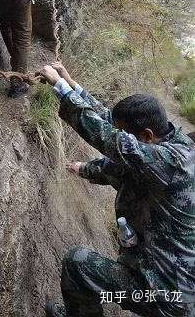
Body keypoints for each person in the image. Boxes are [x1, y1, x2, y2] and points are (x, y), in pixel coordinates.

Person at [38, 62, 195, 317]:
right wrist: (71, 83)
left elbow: (111, 138)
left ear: (145, 136)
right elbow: (113, 127)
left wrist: (62, 89)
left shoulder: (171, 163)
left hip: (168, 299)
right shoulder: (167, 141)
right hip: (167, 283)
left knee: (78, 265)